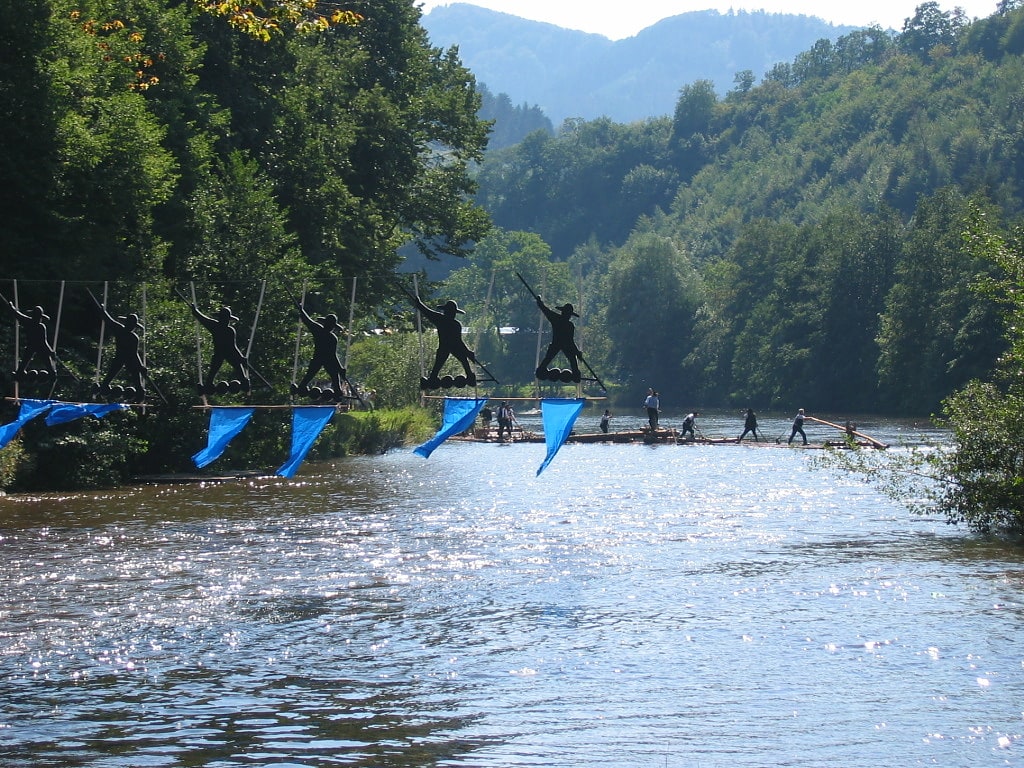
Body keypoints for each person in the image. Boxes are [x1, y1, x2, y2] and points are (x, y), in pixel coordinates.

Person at [410, 293, 477, 387]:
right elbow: (427, 312)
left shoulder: (450, 322)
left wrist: (467, 352)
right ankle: (433, 378)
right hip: (446, 347)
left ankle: (469, 375)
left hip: (451, 347)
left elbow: (459, 341)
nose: (452, 314)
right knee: (442, 363)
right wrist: (419, 304)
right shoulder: (444, 320)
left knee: (462, 359)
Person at [90, 294, 146, 398]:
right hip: (120, 357)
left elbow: (134, 354)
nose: (131, 327)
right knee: (114, 371)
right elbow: (109, 320)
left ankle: (139, 390)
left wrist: (140, 366)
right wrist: (103, 311)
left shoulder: (133, 337)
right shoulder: (120, 330)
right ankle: (105, 386)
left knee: (135, 371)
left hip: (127, 358)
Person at [189, 302, 251, 391]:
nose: (226, 321)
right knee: (215, 369)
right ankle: (207, 386)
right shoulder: (217, 326)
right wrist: (195, 311)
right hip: (220, 353)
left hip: (227, 353)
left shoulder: (227, 330)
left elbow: (233, 347)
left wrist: (241, 358)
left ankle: (244, 383)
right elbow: (202, 318)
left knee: (237, 366)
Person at [295, 300, 346, 396]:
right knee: (324, 373)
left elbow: (307, 320)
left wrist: (340, 369)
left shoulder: (321, 331)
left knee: (332, 374)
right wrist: (340, 368)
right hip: (322, 358)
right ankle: (337, 390)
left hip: (321, 358)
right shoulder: (327, 335)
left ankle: (337, 389)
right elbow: (307, 320)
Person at [535, 297, 582, 381]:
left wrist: (577, 352)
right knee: (570, 358)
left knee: (572, 358)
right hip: (558, 344)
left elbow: (571, 341)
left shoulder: (560, 321)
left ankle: (575, 374)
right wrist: (540, 303)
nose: (568, 316)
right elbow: (546, 310)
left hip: (560, 345)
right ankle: (575, 374)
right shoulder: (562, 322)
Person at [7, 301, 57, 377]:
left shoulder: (29, 322)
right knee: (32, 359)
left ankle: (20, 373)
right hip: (36, 346)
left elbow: (17, 315)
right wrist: (50, 352)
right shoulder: (39, 326)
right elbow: (44, 342)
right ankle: (51, 373)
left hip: (33, 346)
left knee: (31, 359)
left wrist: (11, 307)